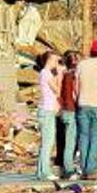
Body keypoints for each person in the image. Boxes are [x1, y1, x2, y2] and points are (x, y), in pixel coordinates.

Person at [75, 39, 97, 179]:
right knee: (96, 136)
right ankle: (91, 168)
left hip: (82, 103)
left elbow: (76, 84)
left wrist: (78, 98)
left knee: (83, 136)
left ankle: (83, 167)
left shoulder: (81, 64)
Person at [36, 51, 61, 180]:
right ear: (50, 60)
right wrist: (58, 74)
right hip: (47, 110)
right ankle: (45, 171)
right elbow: (57, 90)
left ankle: (41, 171)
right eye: (56, 61)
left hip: (45, 109)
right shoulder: (46, 73)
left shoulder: (43, 73)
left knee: (45, 142)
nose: (57, 63)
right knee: (48, 142)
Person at [59, 50, 81, 179]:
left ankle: (66, 167)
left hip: (65, 110)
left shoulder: (63, 75)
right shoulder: (71, 76)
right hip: (71, 110)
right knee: (70, 142)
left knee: (68, 140)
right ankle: (68, 168)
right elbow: (74, 94)